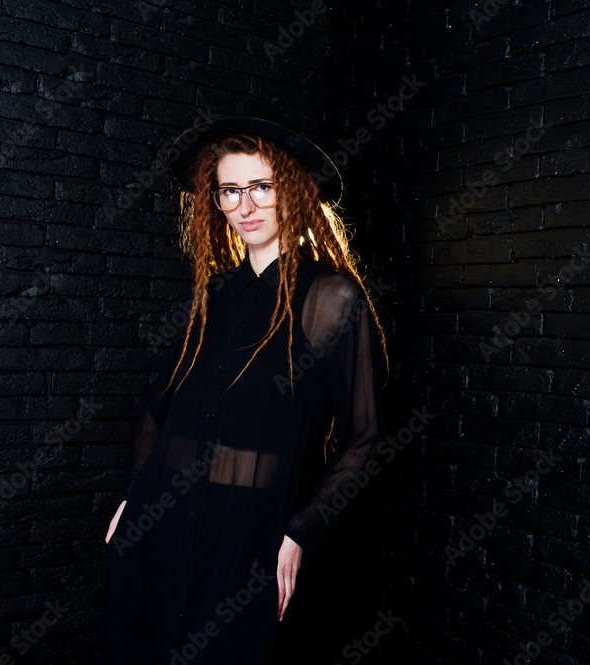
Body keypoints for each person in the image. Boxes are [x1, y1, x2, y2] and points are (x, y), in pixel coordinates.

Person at [96, 113, 389, 665]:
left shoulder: (330, 299)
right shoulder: (212, 296)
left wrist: (301, 532)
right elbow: (158, 408)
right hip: (162, 520)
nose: (245, 206)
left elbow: (366, 435)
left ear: (292, 191)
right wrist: (135, 494)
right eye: (230, 190)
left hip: (250, 535)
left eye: (261, 187)